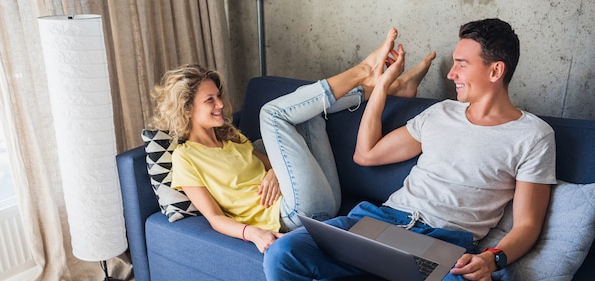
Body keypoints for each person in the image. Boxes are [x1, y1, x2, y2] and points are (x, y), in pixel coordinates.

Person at [263, 18, 556, 281]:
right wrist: (382, 86)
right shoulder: (440, 113)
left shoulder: (533, 136)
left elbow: (528, 223)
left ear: (496, 70)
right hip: (382, 222)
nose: (451, 75)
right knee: (282, 255)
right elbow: (366, 154)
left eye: (461, 64)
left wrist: (492, 260)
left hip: (445, 246)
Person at [150, 45, 435, 253]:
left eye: (218, 97)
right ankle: (365, 74)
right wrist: (255, 234)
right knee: (271, 114)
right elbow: (214, 218)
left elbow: (273, 162)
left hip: (322, 198)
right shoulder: (185, 158)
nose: (220, 105)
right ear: (187, 109)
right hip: (292, 214)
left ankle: (390, 89)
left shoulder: (231, 139)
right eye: (209, 100)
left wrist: (276, 172)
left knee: (306, 110)